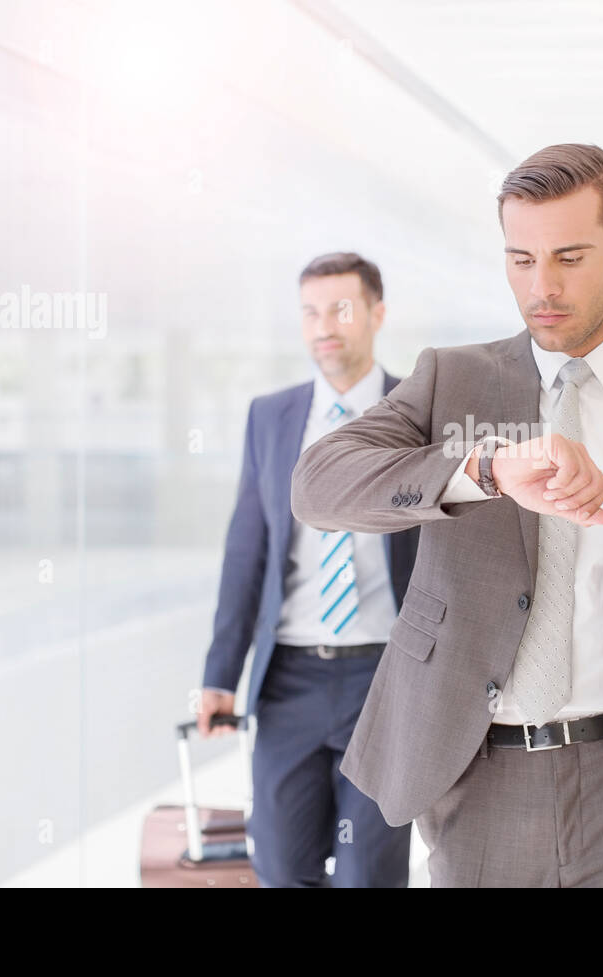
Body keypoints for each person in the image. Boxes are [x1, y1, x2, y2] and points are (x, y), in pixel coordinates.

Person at [290, 144, 603, 887]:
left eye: (569, 257)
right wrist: (482, 468)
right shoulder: (453, 380)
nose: (541, 287)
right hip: (480, 780)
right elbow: (318, 485)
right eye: (520, 260)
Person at [197, 252, 418, 887]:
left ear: (377, 314)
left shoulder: (418, 410)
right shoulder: (272, 418)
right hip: (288, 679)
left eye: (341, 310)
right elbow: (247, 552)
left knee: (369, 877)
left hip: (385, 678)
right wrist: (220, 676)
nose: (325, 325)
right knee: (282, 869)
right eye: (311, 312)